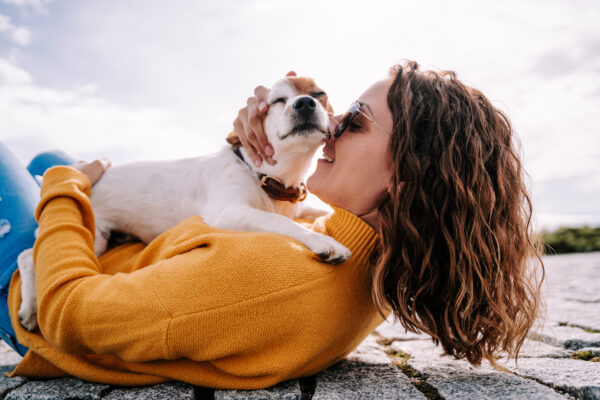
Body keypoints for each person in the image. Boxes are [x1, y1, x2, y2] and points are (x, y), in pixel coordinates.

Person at [0, 61, 543, 388]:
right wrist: (263, 139)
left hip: (39, 288)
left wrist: (66, 193)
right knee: (50, 154)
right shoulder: (367, 260)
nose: (328, 130)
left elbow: (65, 310)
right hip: (108, 243)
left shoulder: (268, 276)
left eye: (351, 123)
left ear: (406, 175)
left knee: (44, 164)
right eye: (337, 113)